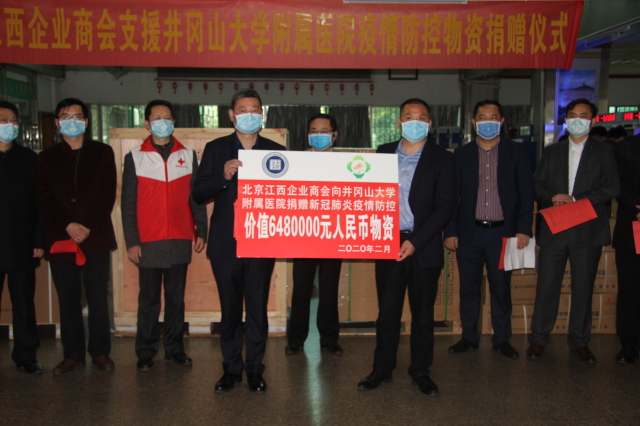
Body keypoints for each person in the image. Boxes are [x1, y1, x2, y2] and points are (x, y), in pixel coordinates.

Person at [356, 98, 456, 396]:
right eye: (409, 117)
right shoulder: (383, 153)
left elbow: (444, 207)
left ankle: (421, 371)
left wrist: (415, 241)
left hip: (424, 244)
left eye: (421, 117)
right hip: (388, 241)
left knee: (423, 314)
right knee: (388, 312)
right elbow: (367, 193)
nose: (415, 122)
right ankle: (382, 368)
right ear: (399, 122)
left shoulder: (443, 158)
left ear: (430, 123)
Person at [193, 88, 285, 393]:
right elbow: (198, 193)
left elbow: (288, 196)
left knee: (257, 308)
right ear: (232, 115)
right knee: (230, 309)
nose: (249, 115)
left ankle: (255, 369)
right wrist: (222, 177)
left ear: (262, 113)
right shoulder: (216, 148)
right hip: (225, 242)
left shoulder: (276, 150)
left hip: (262, 240)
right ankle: (231, 369)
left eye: (255, 110)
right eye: (243, 110)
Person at [527, 98, 619, 364]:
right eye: (573, 115)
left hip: (588, 230)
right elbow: (537, 184)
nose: (577, 120)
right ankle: (538, 338)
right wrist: (552, 198)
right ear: (565, 120)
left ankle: (579, 341)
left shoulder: (604, 152)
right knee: (547, 286)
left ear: (592, 120)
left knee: (583, 288)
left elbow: (612, 188)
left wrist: (576, 199)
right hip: (555, 228)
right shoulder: (552, 151)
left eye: (584, 115)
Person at [121, 100, 207, 372]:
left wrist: (201, 229)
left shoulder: (187, 154)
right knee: (148, 300)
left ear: (173, 122)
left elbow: (196, 197)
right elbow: (127, 204)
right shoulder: (135, 156)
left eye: (166, 117)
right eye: (156, 117)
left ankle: (175, 348)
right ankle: (145, 352)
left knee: (175, 299)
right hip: (148, 240)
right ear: (147, 124)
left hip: (180, 237)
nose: (162, 121)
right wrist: (132, 241)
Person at [444, 100, 534, 359]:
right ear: (473, 122)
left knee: (501, 288)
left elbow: (526, 193)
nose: (487, 122)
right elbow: (452, 196)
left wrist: (523, 228)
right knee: (468, 288)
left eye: (493, 117)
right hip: (469, 233)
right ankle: (469, 337)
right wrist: (451, 230)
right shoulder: (461, 154)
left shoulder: (516, 152)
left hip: (503, 233)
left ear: (502, 121)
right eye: (482, 117)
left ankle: (501, 338)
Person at [37, 98, 117, 374]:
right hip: (61, 237)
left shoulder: (102, 152)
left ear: (86, 121)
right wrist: (68, 225)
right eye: (65, 116)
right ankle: (72, 354)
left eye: (77, 116)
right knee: (68, 298)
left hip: (95, 236)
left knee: (98, 298)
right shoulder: (46, 157)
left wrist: (84, 226)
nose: (72, 121)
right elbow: (45, 197)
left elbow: (107, 194)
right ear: (57, 123)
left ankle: (100, 352)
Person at [286, 113, 343, 357]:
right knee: (301, 287)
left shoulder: (347, 164)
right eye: (314, 131)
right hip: (304, 233)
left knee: (330, 288)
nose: (319, 135)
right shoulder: (295, 162)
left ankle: (329, 339)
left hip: (334, 233)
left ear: (334, 135)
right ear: (308, 134)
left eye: (324, 131)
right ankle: (296, 339)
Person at [0, 101, 44, 374]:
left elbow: (40, 203)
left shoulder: (29, 159)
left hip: (22, 244)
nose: (9, 125)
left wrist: (39, 239)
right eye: (3, 120)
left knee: (24, 304)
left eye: (13, 120)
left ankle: (26, 355)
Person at [612, 133, 640, 364]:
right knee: (630, 288)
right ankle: (629, 343)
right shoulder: (625, 148)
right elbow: (616, 183)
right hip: (632, 226)